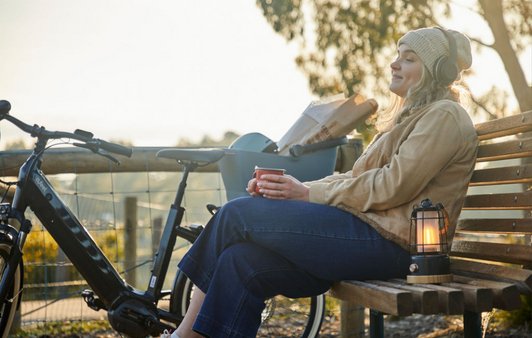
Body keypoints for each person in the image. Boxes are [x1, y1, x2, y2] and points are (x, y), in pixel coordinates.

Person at [170, 26, 478, 338]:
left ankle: (184, 335)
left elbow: (392, 185)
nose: (394, 64)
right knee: (241, 262)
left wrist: (308, 194)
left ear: (437, 71)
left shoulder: (444, 116)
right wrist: (294, 192)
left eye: (408, 59)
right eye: (397, 56)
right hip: (366, 234)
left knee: (236, 214)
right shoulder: (412, 117)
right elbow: (355, 178)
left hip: (395, 246)